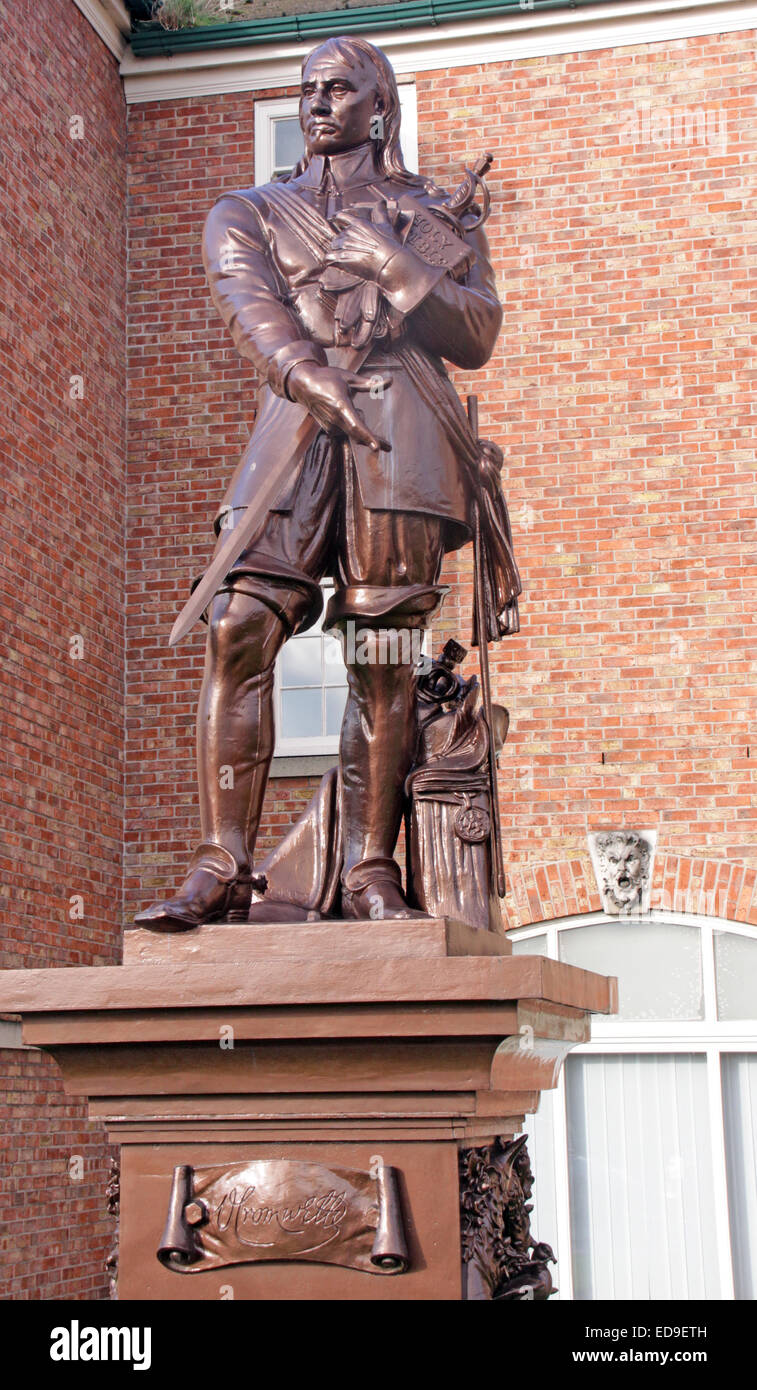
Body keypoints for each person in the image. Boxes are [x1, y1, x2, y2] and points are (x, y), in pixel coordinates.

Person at [136, 35, 505, 929]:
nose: (318, 102)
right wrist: (303, 371)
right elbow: (246, 303)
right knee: (238, 623)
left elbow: (477, 334)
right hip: (296, 423)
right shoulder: (251, 209)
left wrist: (399, 267)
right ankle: (223, 861)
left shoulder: (434, 214)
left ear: (380, 105)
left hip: (403, 433)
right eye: (308, 89)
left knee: (380, 657)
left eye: (340, 89)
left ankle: (369, 868)